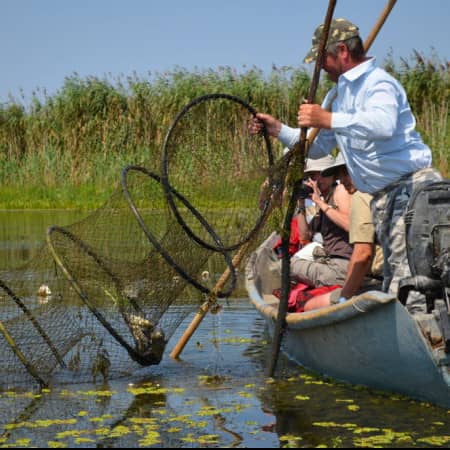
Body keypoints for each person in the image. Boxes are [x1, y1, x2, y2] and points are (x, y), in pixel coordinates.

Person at [250, 18, 442, 312]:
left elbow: (383, 124)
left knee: (411, 285)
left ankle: (427, 346)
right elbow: (317, 146)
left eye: (322, 59)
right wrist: (278, 130)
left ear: (341, 51)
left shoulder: (378, 83)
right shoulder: (337, 96)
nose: (320, 67)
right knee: (396, 281)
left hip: (410, 191)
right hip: (382, 197)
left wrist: (327, 119)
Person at [262, 154, 352, 293]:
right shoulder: (324, 199)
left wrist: (320, 202)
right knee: (283, 265)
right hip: (330, 258)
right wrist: (301, 203)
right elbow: (305, 235)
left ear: (333, 176)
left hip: (343, 265)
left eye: (321, 175)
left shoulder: (340, 191)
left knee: (285, 267)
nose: (317, 181)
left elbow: (349, 224)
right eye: (313, 177)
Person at [304, 153, 383, 311]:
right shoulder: (382, 191)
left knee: (309, 307)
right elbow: (305, 236)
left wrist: (344, 299)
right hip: (380, 276)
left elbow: (363, 254)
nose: (343, 180)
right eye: (340, 174)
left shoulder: (360, 196)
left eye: (347, 172)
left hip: (378, 279)